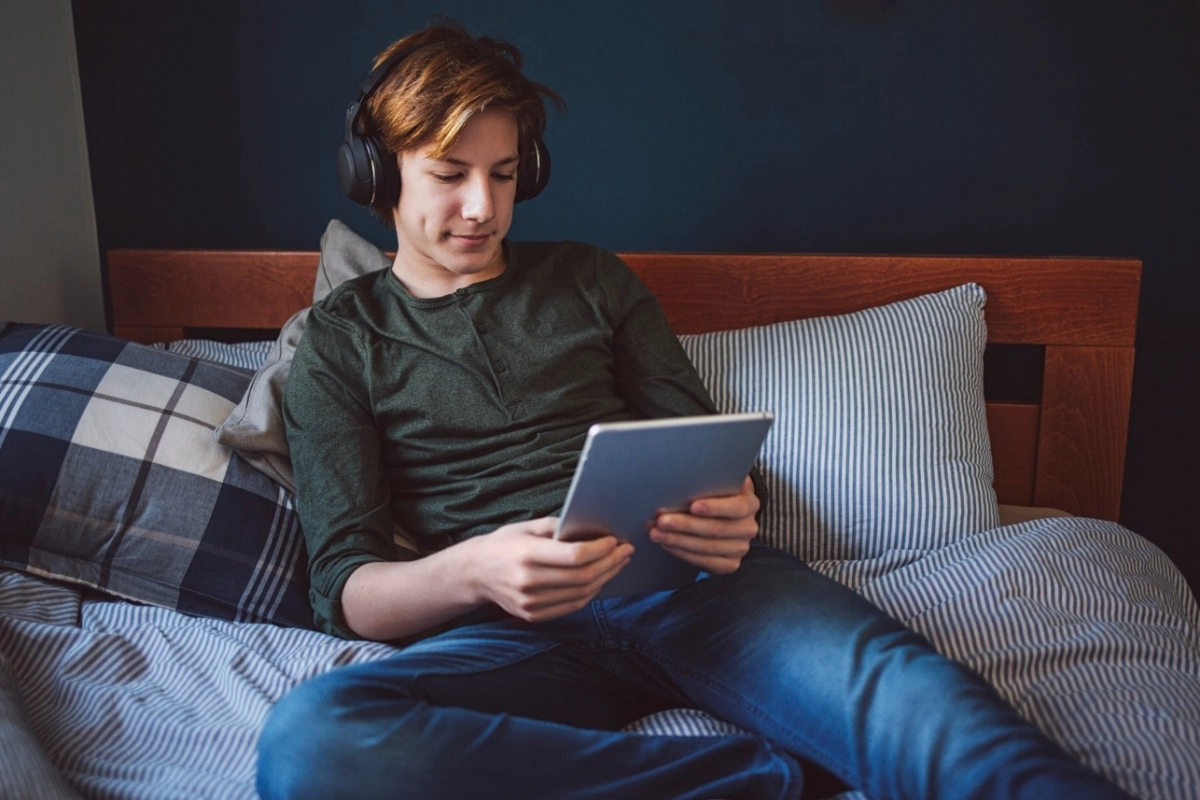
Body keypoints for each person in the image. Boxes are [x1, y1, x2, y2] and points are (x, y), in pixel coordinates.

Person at [257, 21, 1131, 800]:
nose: (484, 207)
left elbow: (705, 446)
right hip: (504, 632)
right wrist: (476, 569)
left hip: (698, 591)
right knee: (313, 745)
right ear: (375, 173)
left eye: (506, 174)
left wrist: (733, 505)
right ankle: (758, 780)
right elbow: (349, 593)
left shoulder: (592, 279)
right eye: (449, 175)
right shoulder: (339, 341)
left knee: (917, 700)